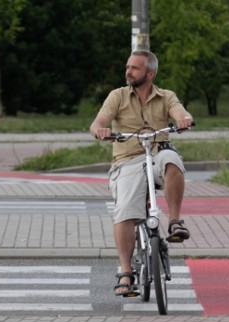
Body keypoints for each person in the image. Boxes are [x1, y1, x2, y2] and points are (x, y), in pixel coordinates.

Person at [89, 49, 194, 296]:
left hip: (157, 153)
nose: (128, 71)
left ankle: (176, 222)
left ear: (150, 74)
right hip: (127, 160)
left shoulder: (166, 96)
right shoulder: (117, 96)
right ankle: (126, 271)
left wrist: (184, 119)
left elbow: (180, 111)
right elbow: (98, 122)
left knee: (173, 160)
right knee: (124, 210)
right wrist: (100, 130)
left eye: (134, 68)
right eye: (128, 67)